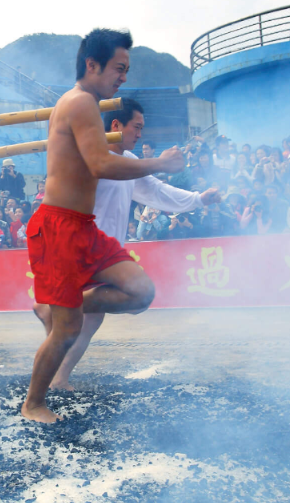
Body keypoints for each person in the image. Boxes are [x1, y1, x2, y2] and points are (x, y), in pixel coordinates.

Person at [21, 28, 187, 423]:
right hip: (59, 227)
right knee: (67, 330)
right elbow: (101, 165)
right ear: (91, 65)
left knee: (140, 291)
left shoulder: (87, 108)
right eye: (118, 68)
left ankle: (56, 309)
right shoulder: (79, 104)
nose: (123, 77)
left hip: (84, 228)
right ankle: (33, 404)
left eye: (126, 70)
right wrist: (160, 162)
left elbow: (106, 160)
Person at [32, 98, 218, 390]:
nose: (140, 134)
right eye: (137, 127)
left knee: (92, 320)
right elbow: (101, 166)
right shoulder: (90, 156)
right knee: (123, 301)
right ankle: (53, 351)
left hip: (103, 251)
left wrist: (197, 199)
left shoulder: (130, 163)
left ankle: (58, 377)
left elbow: (157, 191)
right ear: (116, 125)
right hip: (75, 246)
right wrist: (158, 162)